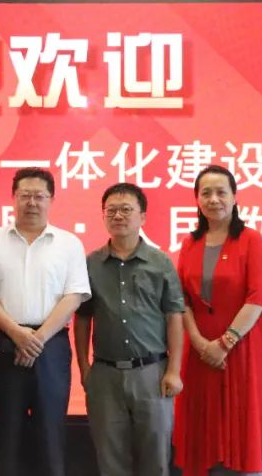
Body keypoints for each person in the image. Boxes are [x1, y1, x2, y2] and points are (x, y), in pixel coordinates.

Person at [0, 168, 91, 476]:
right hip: (4, 342)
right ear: (13, 198)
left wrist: (36, 339)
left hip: (51, 346)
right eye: (25, 195)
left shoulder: (68, 243)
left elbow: (74, 296)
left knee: (51, 434)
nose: (32, 202)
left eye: (39, 196)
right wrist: (17, 333)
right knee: (6, 435)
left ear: (51, 199)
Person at [173, 165, 262, 476]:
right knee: (202, 430)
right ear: (196, 199)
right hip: (200, 352)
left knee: (243, 428)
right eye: (205, 192)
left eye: (221, 192)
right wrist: (199, 343)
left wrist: (224, 343)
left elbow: (257, 298)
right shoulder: (190, 243)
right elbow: (181, 299)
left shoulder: (251, 240)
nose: (213, 199)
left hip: (242, 348)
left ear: (235, 197)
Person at [74, 183, 185, 476]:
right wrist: (84, 367)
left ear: (142, 216)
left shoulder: (160, 262)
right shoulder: (91, 263)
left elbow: (174, 316)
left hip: (152, 373)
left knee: (156, 457)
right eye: (111, 210)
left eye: (126, 209)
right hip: (105, 375)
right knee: (110, 459)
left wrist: (174, 370)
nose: (118, 216)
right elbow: (83, 318)